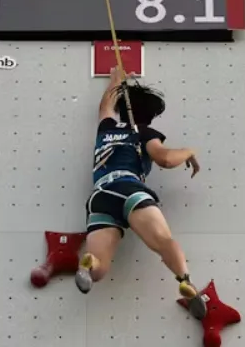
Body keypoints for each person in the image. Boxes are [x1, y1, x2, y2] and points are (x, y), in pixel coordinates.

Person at [76, 66, 206, 318]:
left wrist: (116, 78)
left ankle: (89, 262)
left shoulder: (106, 128)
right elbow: (165, 159)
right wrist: (189, 151)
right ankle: (185, 281)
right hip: (129, 187)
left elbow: (104, 106)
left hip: (100, 195)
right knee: (163, 242)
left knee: (100, 268)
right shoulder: (144, 132)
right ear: (150, 116)